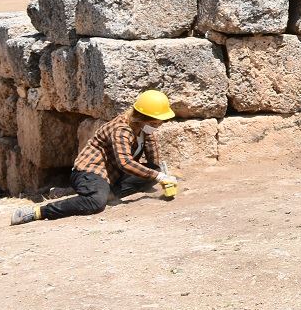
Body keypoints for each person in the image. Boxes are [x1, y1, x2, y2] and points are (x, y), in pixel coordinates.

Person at [11, 90, 180, 225]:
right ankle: (38, 212)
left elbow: (153, 161)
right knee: (95, 203)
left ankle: (93, 193)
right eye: (156, 123)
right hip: (90, 172)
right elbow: (125, 163)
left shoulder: (144, 129)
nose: (158, 127)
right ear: (142, 118)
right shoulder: (121, 129)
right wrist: (159, 176)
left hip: (112, 176)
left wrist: (158, 171)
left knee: (152, 173)